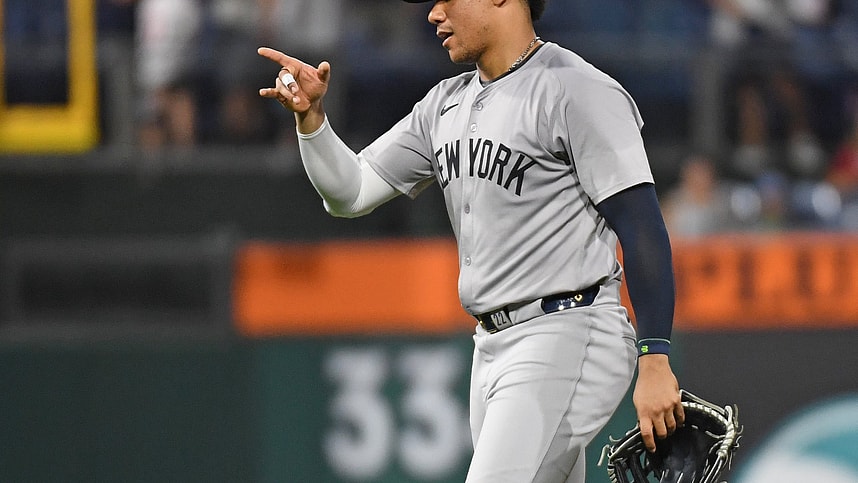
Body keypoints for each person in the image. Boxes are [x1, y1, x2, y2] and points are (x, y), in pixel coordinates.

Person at [258, 0, 684, 481]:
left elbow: (642, 228)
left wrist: (655, 358)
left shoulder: (578, 89)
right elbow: (351, 192)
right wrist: (312, 121)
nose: (433, 14)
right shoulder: (444, 104)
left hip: (569, 330)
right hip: (492, 347)